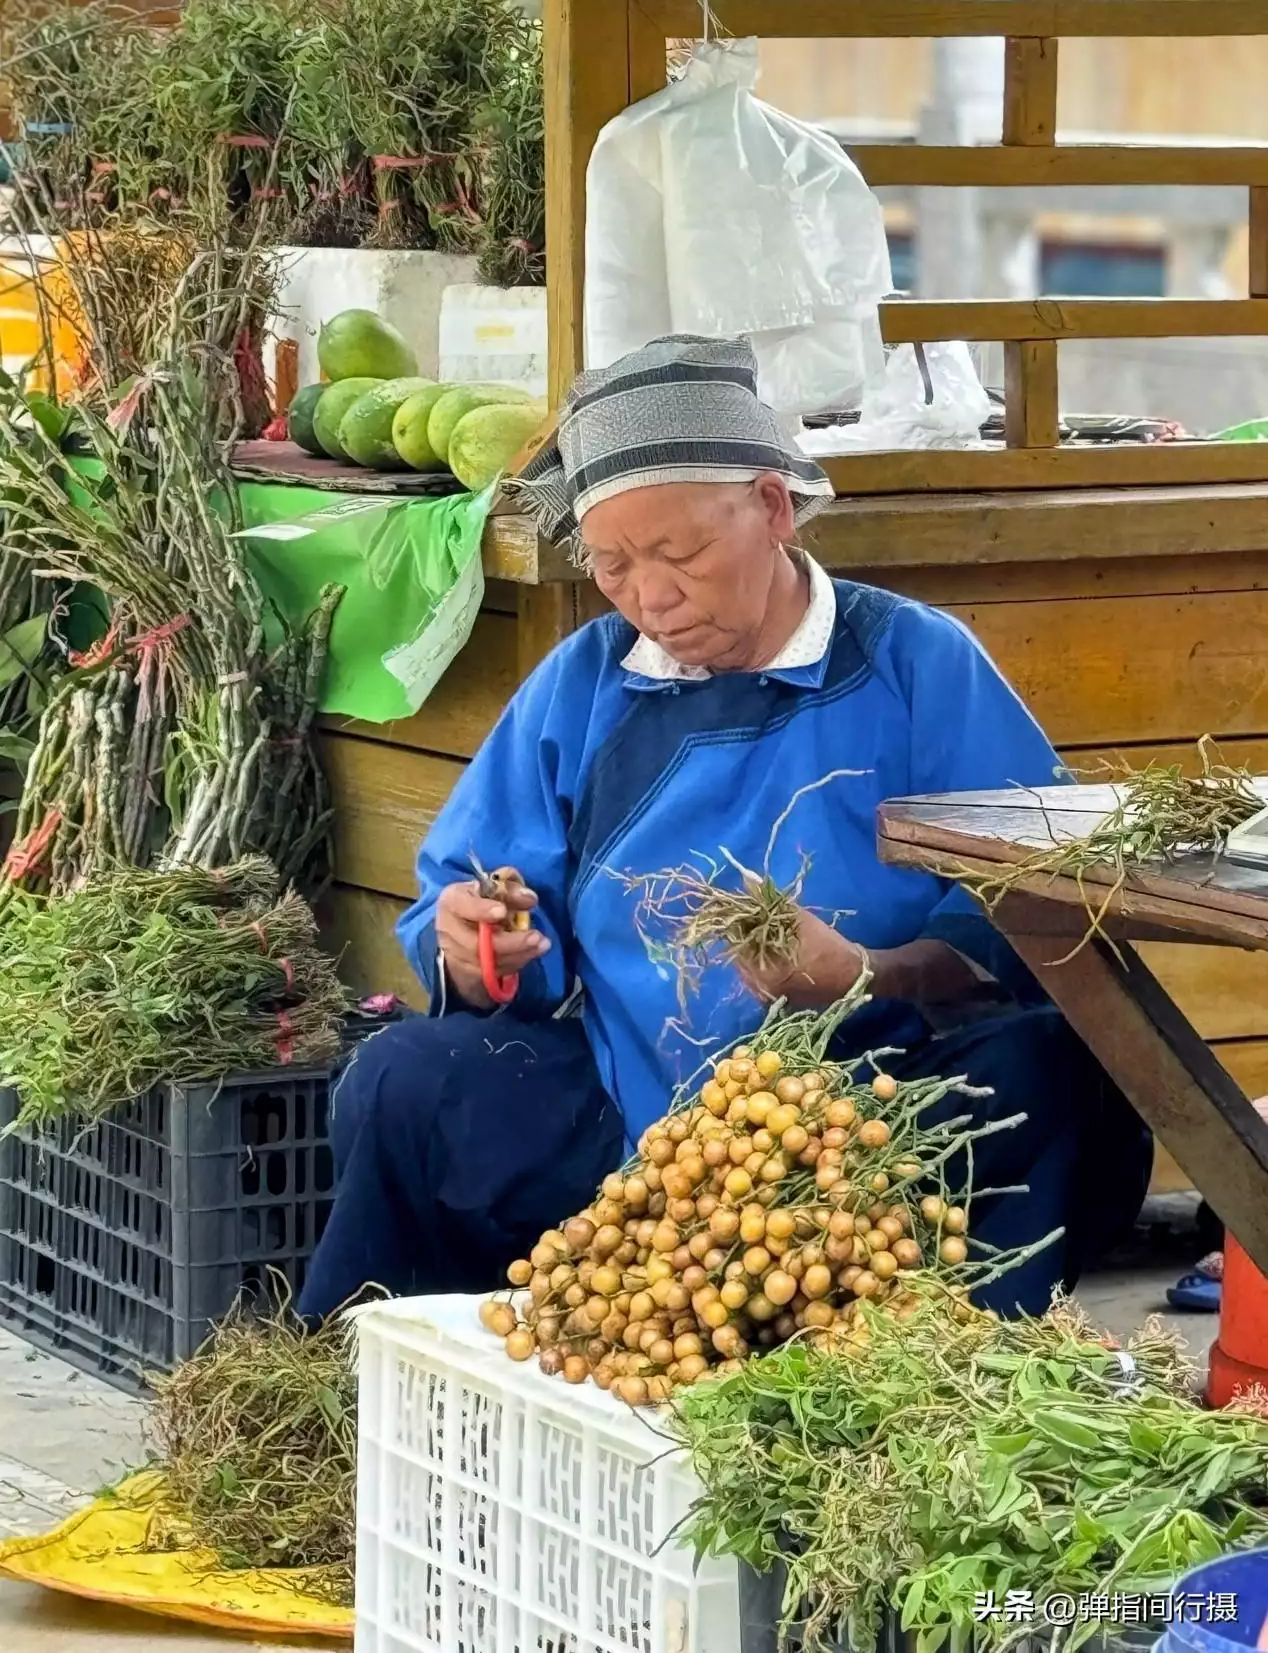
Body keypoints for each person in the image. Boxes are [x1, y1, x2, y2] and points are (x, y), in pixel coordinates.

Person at [299, 335, 1150, 1322]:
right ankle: (380, 1373)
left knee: (1049, 1068)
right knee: (407, 1078)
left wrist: (871, 972)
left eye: (680, 553)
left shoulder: (914, 662)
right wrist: (485, 944)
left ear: (773, 507)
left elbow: (1041, 903)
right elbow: (484, 911)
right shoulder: (583, 685)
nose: (650, 596)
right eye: (612, 565)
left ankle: (927, 1377)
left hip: (869, 1132)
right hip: (634, 1125)